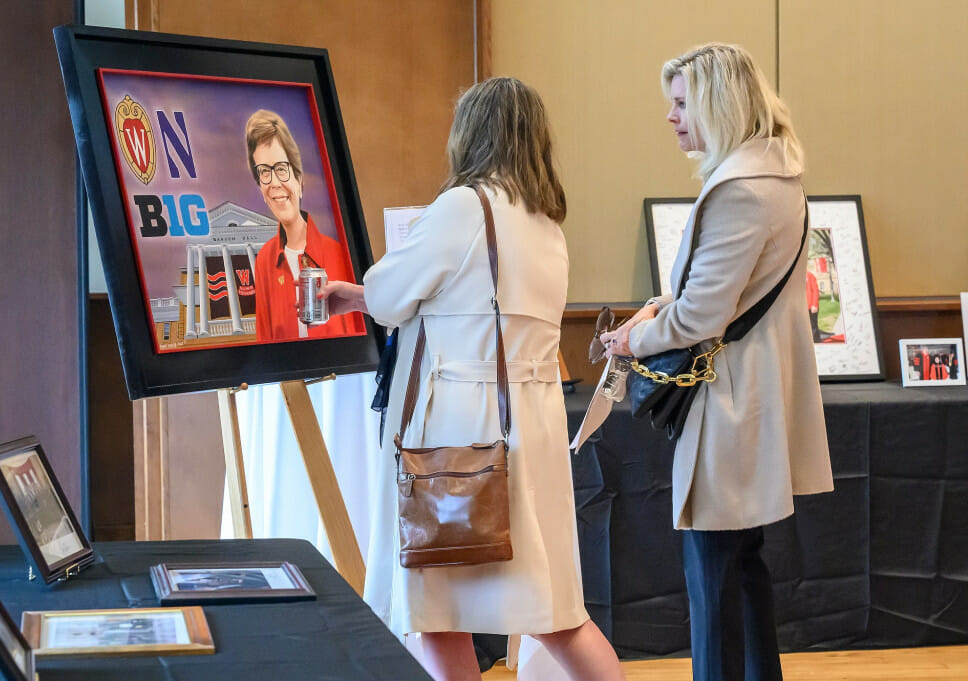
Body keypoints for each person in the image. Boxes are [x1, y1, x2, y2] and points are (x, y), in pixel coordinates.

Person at [319, 78, 622, 681]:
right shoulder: (546, 225)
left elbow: (391, 292)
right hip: (527, 431)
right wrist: (362, 295)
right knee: (557, 612)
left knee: (436, 610)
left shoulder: (463, 206)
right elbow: (472, 308)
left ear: (472, 134)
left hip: (456, 435)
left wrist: (357, 293)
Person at [600, 43, 834, 681]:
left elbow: (702, 318)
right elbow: (728, 297)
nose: (672, 117)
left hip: (730, 402)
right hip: (754, 396)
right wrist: (661, 310)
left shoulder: (738, 191)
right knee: (742, 568)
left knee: (713, 576)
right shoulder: (778, 178)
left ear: (716, 103)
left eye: (681, 103)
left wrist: (629, 341)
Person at [246, 109, 358, 341]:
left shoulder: (337, 253)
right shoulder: (264, 260)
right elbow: (264, 344)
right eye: (264, 172)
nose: (274, 183)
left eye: (281, 169)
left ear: (299, 180)